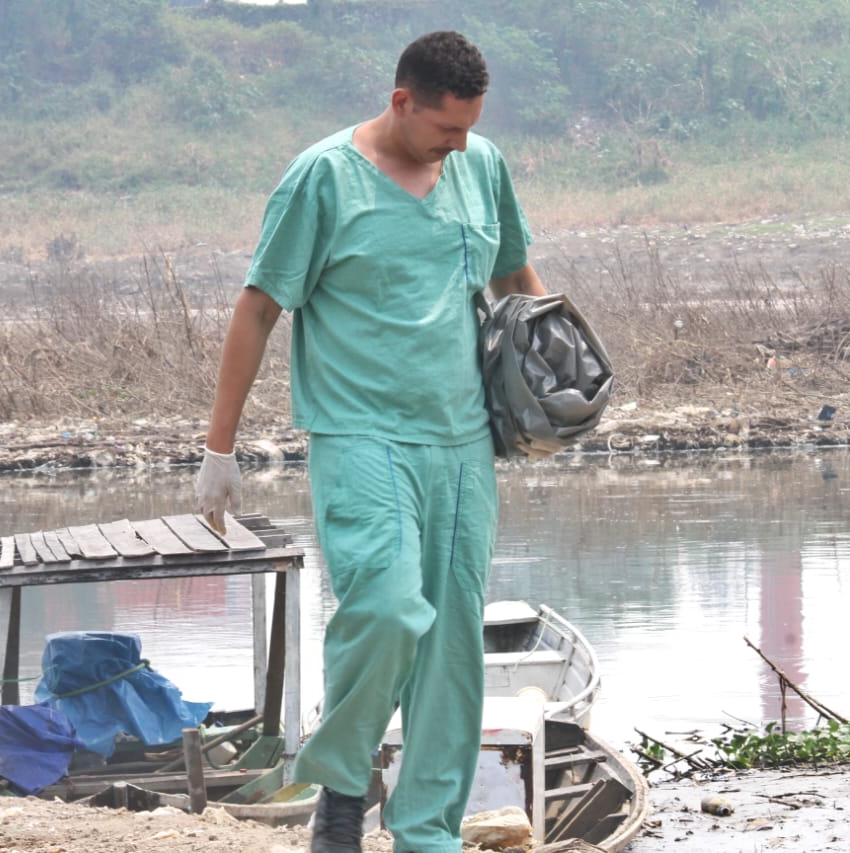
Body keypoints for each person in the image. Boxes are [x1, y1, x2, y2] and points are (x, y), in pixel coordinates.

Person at [195, 30, 547, 853]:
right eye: (445, 129)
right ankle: (345, 782)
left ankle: (426, 831)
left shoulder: (481, 167)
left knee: (451, 644)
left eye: (470, 129)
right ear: (401, 102)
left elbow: (515, 276)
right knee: (387, 609)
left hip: (463, 442)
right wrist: (220, 447)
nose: (459, 145)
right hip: (362, 436)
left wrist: (564, 361)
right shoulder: (323, 179)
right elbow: (258, 306)